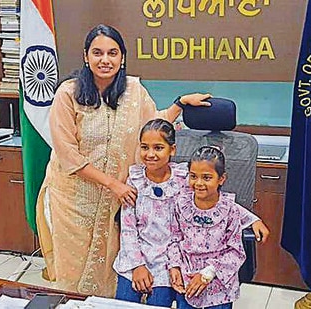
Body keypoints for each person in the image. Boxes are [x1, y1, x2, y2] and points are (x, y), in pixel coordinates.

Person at [35, 23, 212, 297]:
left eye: (112, 53)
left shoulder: (134, 91)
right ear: (86, 56)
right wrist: (112, 185)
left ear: (122, 57)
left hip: (114, 201)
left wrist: (180, 103)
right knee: (73, 270)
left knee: (108, 270)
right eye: (97, 53)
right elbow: (67, 153)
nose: (105, 60)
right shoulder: (67, 93)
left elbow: (154, 125)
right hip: (73, 200)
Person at [168, 146, 270, 309]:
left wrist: (208, 273)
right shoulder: (181, 204)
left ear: (221, 179)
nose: (199, 183)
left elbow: (236, 252)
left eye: (207, 177)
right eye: (193, 176)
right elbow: (174, 239)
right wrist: (174, 266)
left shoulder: (229, 210)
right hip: (188, 282)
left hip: (218, 287)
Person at [113, 118, 189, 307]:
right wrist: (138, 266)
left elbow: (211, 207)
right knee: (124, 303)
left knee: (158, 302)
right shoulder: (134, 181)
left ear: (172, 149)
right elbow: (128, 229)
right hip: (135, 256)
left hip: (168, 260)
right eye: (145, 147)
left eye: (158, 148)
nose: (150, 154)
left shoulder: (185, 181)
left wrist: (175, 264)